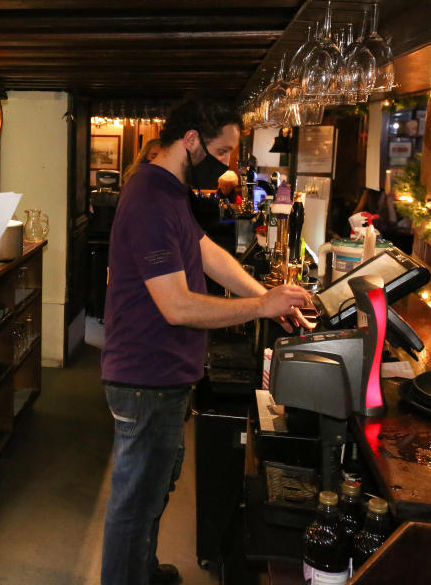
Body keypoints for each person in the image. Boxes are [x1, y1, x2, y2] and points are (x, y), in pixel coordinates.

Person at [100, 99, 313, 585]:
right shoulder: (151, 200)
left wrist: (269, 296)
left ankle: (143, 570)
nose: (228, 165)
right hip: (144, 377)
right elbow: (177, 306)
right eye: (222, 151)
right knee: (134, 503)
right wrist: (261, 307)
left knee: (153, 490)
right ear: (191, 140)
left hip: (163, 374)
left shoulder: (169, 189)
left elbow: (206, 251)